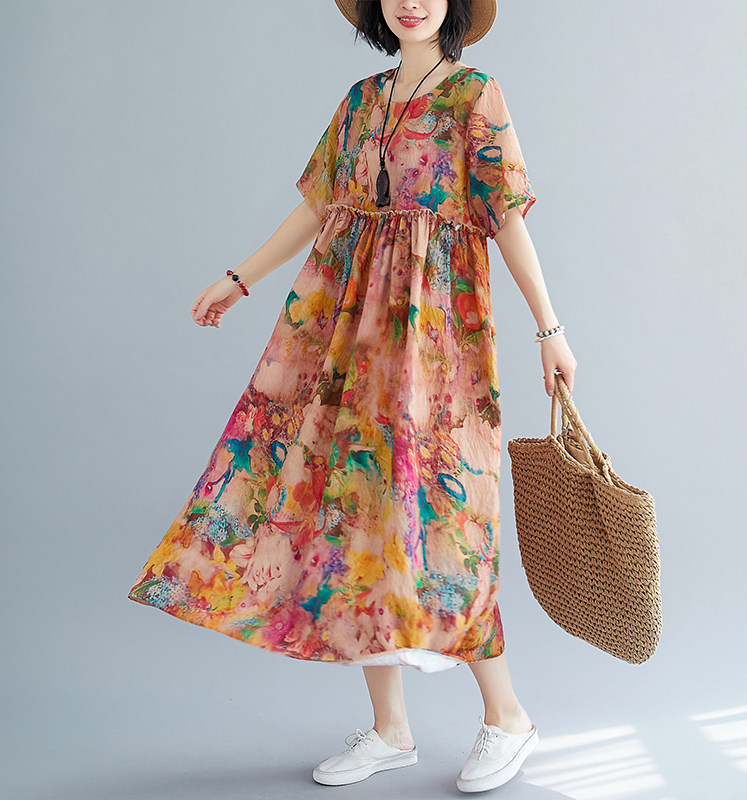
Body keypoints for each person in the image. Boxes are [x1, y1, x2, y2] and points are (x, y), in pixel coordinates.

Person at [128, 0, 577, 792]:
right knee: (355, 512)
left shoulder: (474, 94)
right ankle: (390, 729)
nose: (412, 2)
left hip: (437, 337)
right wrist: (238, 279)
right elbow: (320, 205)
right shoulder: (362, 100)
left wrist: (551, 329)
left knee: (449, 520)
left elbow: (506, 217)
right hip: (348, 330)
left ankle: (507, 717)